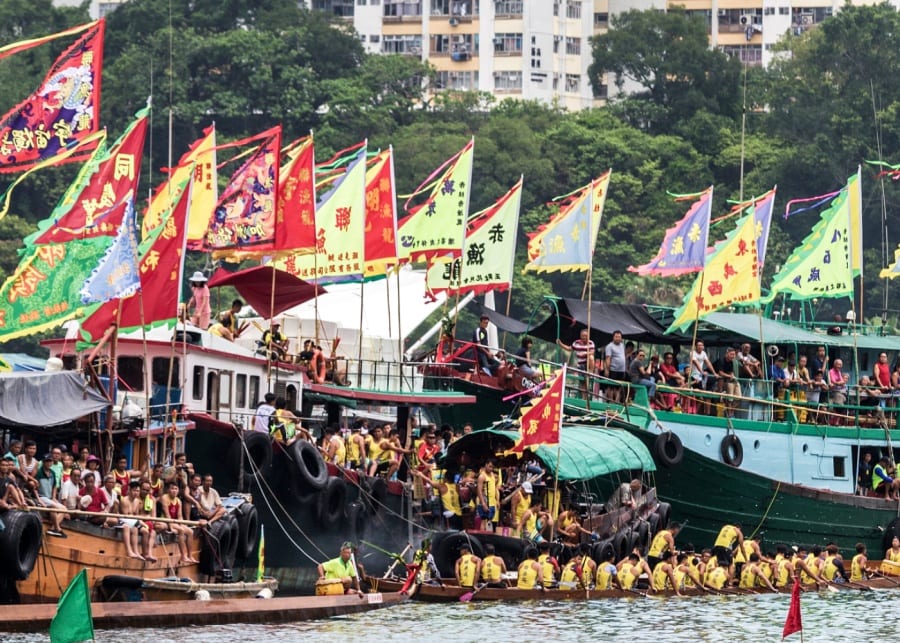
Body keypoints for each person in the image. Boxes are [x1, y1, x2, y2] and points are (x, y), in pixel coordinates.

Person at [161, 482, 197, 565]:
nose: (174, 491)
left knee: (190, 532)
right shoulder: (164, 498)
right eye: (172, 488)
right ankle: (183, 555)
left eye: (176, 489)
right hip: (165, 520)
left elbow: (180, 516)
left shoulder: (178, 501)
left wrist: (182, 524)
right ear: (168, 490)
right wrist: (171, 527)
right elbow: (167, 514)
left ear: (178, 491)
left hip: (175, 521)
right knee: (181, 530)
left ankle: (190, 555)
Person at [120, 480, 156, 561]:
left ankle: (141, 553)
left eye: (137, 491)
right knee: (135, 528)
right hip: (124, 521)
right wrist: (140, 522)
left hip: (133, 521)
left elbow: (135, 515)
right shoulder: (124, 500)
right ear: (129, 490)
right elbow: (126, 516)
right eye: (134, 490)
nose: (136, 493)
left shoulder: (137, 501)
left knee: (146, 531)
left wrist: (141, 522)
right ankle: (130, 551)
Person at [35, 453, 66, 537]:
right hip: (42, 497)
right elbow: (34, 487)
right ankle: (57, 528)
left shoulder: (52, 472)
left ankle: (53, 528)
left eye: (50, 461)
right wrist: (38, 499)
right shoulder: (39, 473)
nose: (49, 463)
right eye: (47, 461)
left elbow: (55, 486)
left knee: (64, 509)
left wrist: (53, 497)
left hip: (49, 497)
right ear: (44, 462)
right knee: (54, 506)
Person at [715, 347, 741, 417]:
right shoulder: (721, 361)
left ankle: (731, 410)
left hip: (732, 381)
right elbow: (720, 373)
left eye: (734, 355)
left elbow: (731, 372)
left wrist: (732, 376)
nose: (733, 356)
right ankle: (729, 414)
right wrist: (730, 376)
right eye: (731, 354)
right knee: (730, 398)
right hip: (724, 381)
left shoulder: (731, 362)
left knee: (739, 398)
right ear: (727, 354)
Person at [602, 330, 627, 402]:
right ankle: (611, 401)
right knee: (611, 386)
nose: (618, 338)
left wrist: (624, 369)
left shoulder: (622, 345)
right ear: (613, 337)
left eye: (619, 337)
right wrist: (607, 370)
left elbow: (623, 356)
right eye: (616, 337)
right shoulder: (610, 346)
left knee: (619, 387)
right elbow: (608, 358)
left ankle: (617, 401)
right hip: (613, 369)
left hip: (621, 370)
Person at [476, 459, 500, 532]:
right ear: (486, 465)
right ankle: (483, 538)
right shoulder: (482, 476)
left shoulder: (492, 475)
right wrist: (483, 503)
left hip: (492, 502)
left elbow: (495, 488)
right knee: (483, 521)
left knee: (489, 522)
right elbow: (479, 490)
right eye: (490, 466)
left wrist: (497, 500)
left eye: (492, 467)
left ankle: (488, 538)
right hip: (486, 501)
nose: (491, 469)